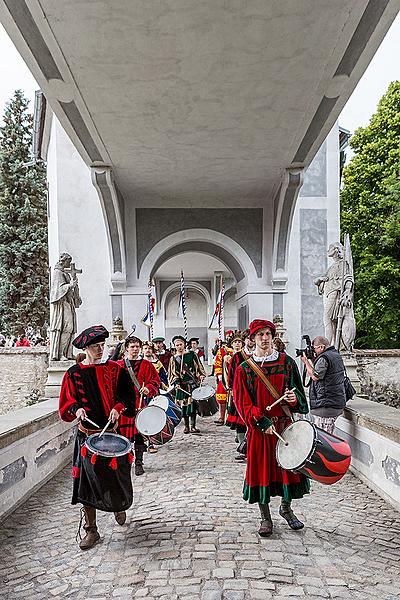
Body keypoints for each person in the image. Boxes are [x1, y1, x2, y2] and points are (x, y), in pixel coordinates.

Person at [58, 325, 135, 550]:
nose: (100, 350)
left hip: (111, 435)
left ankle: (118, 505)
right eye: (95, 346)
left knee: (115, 477)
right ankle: (91, 530)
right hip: (87, 437)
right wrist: (76, 410)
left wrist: (118, 407)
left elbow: (127, 395)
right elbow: (67, 402)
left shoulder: (115, 368)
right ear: (86, 348)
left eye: (102, 345)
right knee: (86, 484)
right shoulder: (74, 373)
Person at [233, 319, 309, 537]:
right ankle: (265, 517)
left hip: (285, 427)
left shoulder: (287, 363)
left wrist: (294, 398)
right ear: (252, 339)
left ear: (272, 336)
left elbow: (300, 395)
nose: (265, 338)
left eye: (268, 334)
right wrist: (260, 421)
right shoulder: (244, 369)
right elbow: (242, 402)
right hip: (261, 430)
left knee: (290, 469)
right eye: (260, 335)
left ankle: (286, 508)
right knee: (261, 473)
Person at [117, 336, 160, 475]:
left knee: (139, 435)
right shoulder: (118, 365)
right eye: (132, 346)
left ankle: (139, 462)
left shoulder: (147, 365)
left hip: (139, 404)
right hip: (124, 406)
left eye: (137, 346)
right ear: (127, 348)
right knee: (124, 435)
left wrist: (147, 388)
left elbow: (155, 381)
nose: (135, 349)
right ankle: (126, 461)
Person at [300, 335, 346, 434]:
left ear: (321, 347)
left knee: (323, 438)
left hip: (326, 405)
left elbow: (315, 376)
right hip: (335, 401)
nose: (314, 351)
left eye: (315, 348)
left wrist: (306, 362)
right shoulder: (335, 354)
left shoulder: (324, 358)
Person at [168, 335, 206, 434]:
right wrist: (176, 382)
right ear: (174, 346)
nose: (179, 347)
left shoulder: (192, 355)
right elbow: (173, 373)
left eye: (181, 344)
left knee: (193, 406)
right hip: (182, 386)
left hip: (193, 384)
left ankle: (193, 426)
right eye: (177, 345)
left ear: (184, 344)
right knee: (184, 407)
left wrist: (201, 375)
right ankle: (186, 426)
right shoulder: (174, 359)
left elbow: (198, 366)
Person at [213, 333, 233, 425]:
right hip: (225, 377)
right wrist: (219, 374)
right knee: (222, 398)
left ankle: (232, 418)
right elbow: (217, 362)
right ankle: (222, 416)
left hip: (235, 378)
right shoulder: (222, 350)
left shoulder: (241, 351)